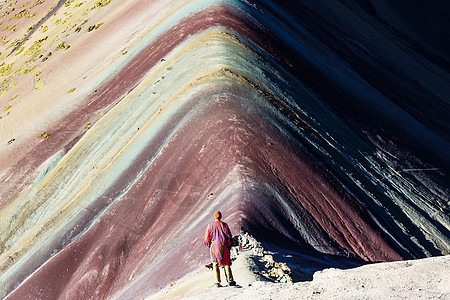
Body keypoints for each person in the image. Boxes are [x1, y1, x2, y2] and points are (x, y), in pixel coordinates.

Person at [204, 211, 236, 287]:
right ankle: (230, 281)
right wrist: (228, 245)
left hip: (214, 247)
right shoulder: (224, 225)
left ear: (214, 217)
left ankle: (217, 282)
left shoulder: (210, 225)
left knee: (215, 264)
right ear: (221, 216)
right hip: (224, 246)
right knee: (226, 263)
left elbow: (207, 239)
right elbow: (228, 236)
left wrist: (210, 245)